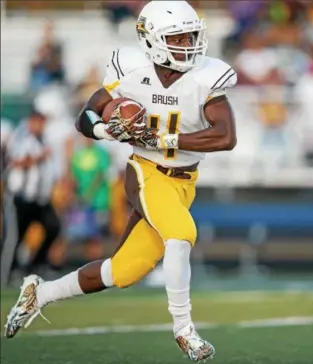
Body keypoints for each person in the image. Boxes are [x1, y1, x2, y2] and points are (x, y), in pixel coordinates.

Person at [5, 1, 237, 362]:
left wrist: (166, 139)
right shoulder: (130, 69)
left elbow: (226, 137)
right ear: (153, 41)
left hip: (183, 182)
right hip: (146, 172)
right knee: (181, 234)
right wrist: (103, 129)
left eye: (191, 35)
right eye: (177, 37)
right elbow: (86, 115)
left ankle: (41, 293)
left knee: (122, 271)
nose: (188, 43)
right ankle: (184, 330)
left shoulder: (206, 76)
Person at [1, 108, 61, 286]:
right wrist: (38, 158)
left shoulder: (43, 140)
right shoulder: (22, 138)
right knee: (13, 238)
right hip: (20, 197)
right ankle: (6, 274)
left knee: (53, 227)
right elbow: (16, 162)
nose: (40, 126)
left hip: (39, 199)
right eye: (37, 122)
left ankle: (35, 264)